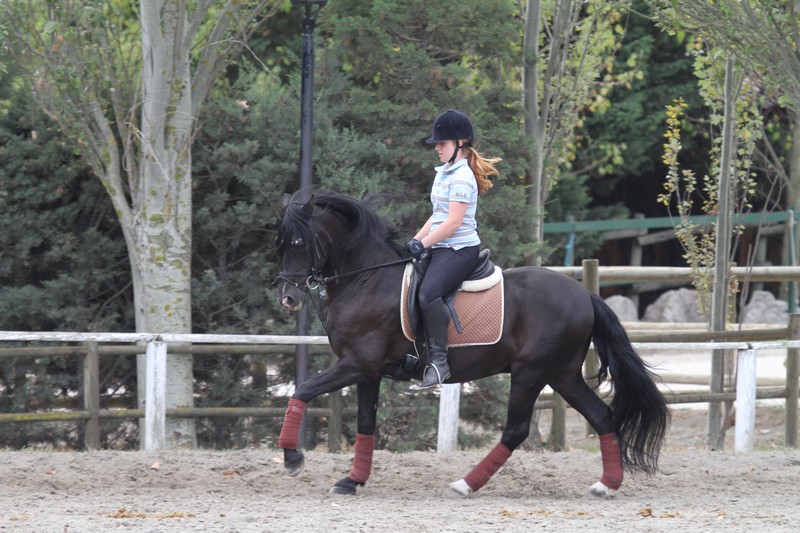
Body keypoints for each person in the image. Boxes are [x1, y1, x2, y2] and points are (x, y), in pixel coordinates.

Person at [406, 109, 501, 388]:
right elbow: (437, 215)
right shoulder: (444, 173)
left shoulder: (461, 177)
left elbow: (453, 222)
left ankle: (439, 363)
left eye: (442, 143)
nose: (437, 148)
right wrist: (413, 241)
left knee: (428, 292)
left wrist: (422, 244)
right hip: (441, 245)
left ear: (460, 143)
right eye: (437, 143)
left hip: (460, 249)